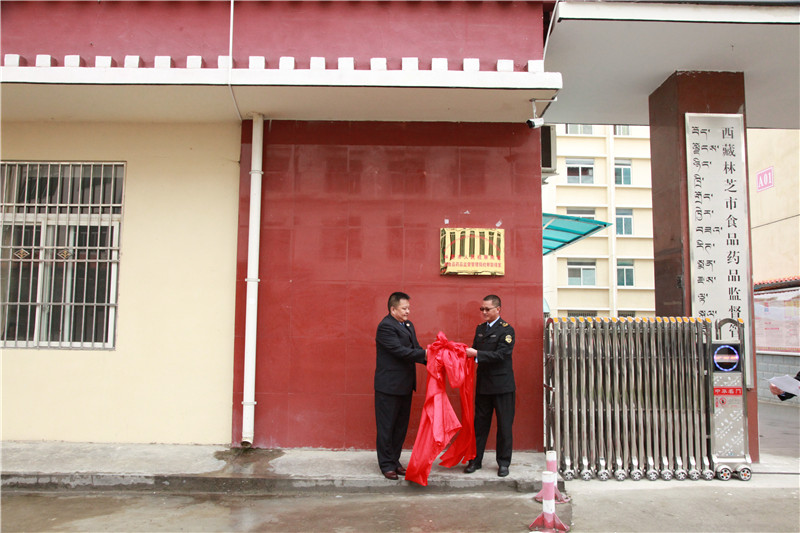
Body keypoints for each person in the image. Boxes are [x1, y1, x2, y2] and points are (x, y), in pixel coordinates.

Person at [374, 291, 427, 480]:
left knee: (400, 427)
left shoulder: (408, 325)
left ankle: (395, 461)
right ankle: (386, 465)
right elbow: (400, 351)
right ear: (392, 309)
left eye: (408, 308)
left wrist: (434, 359)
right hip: (388, 387)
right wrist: (426, 354)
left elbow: (415, 349)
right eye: (404, 308)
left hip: (405, 385)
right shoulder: (385, 327)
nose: (407, 312)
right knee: (387, 427)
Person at [464, 294, 516, 477]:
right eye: (482, 309)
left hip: (503, 386)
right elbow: (473, 352)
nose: (484, 312)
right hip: (484, 385)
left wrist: (476, 354)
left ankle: (503, 463)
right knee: (479, 425)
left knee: (504, 426)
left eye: (487, 309)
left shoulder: (507, 330)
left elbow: (502, 355)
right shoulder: (480, 329)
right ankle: (475, 460)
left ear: (498, 309)